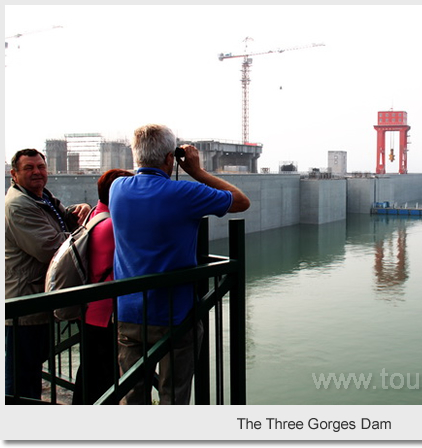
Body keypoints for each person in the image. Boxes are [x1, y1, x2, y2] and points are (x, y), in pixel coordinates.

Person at [110, 124, 250, 405]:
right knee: (174, 395)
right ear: (169, 158)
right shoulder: (185, 193)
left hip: (128, 311)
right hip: (174, 314)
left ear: (136, 156)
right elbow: (241, 201)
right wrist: (198, 172)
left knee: (132, 393)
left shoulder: (118, 188)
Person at [5, 148, 91, 400]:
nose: (37, 172)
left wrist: (81, 208)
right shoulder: (18, 206)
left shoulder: (40, 198)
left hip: (38, 300)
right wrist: (89, 234)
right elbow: (51, 248)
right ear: (14, 174)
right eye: (29, 168)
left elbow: (63, 219)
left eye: (40, 167)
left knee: (29, 368)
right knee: (21, 375)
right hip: (25, 304)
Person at [71, 169, 134, 405]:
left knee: (89, 374)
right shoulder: (112, 227)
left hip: (90, 309)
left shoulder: (94, 216)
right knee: (105, 379)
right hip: (105, 313)